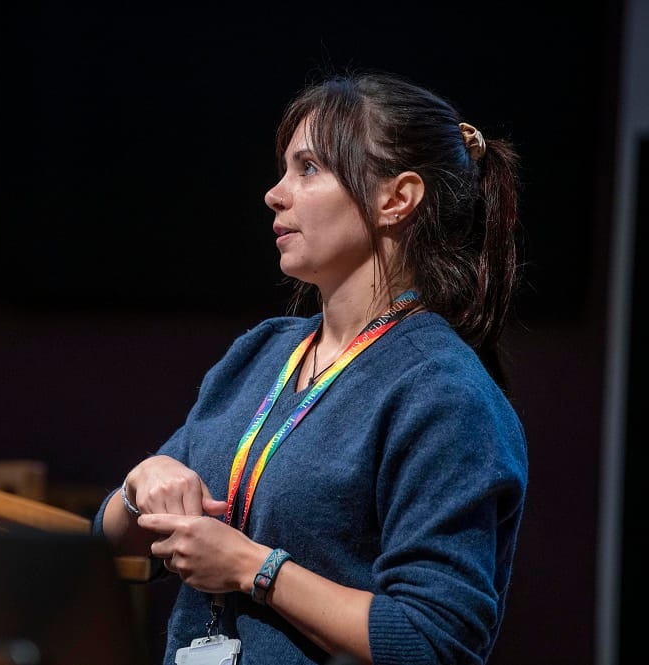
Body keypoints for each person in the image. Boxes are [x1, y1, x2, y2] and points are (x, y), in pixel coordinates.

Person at [93, 69, 528, 665]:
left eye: (309, 168)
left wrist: (254, 568)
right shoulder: (261, 353)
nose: (275, 194)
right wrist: (140, 485)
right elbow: (115, 547)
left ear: (396, 199)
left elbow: (433, 642)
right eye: (285, 169)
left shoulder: (444, 393)